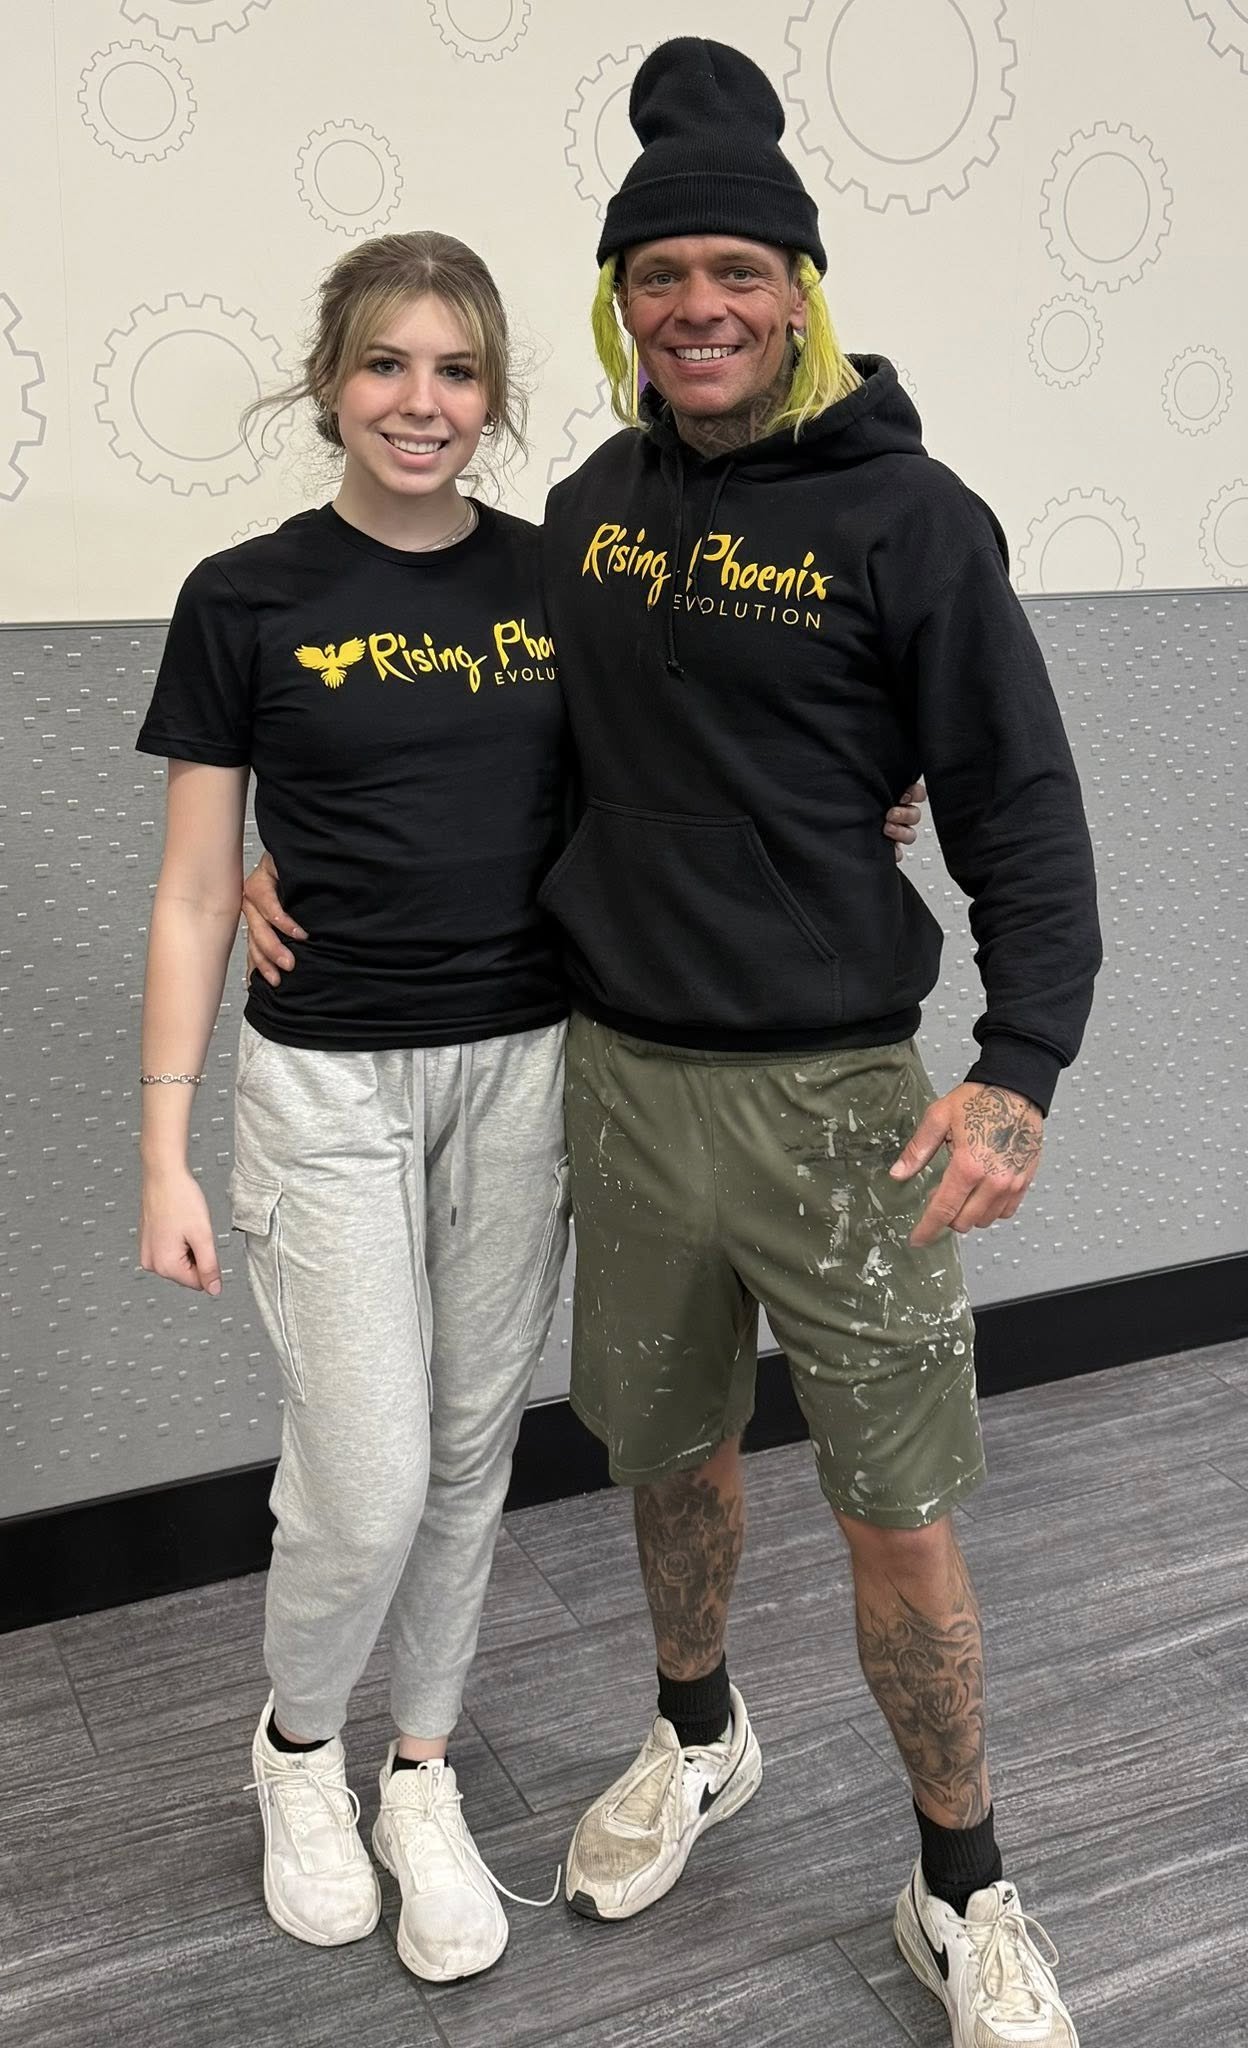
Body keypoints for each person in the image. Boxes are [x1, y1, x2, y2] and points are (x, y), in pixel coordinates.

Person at [539, 39, 1099, 2048]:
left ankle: (963, 1882)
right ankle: (699, 1733)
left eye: (738, 272)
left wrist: (1019, 1061)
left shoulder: (911, 519)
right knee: (668, 1457)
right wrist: (292, 852)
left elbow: (1018, 801)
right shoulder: (586, 507)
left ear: (799, 295)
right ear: (622, 301)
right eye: (661, 273)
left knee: (899, 1508)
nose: (699, 305)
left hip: (839, 1102)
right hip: (623, 1080)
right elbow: (523, 758)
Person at [135, 231, 571, 1985]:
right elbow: (195, 887)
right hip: (324, 1082)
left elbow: (687, 776)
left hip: (526, 1070)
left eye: (457, 369)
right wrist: (164, 1149)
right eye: (388, 362)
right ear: (330, 381)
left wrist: (872, 798)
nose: (422, 400)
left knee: (469, 1455)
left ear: (494, 394)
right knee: (368, 1474)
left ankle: (422, 1772)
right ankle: (299, 1747)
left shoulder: (556, 581)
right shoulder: (244, 595)